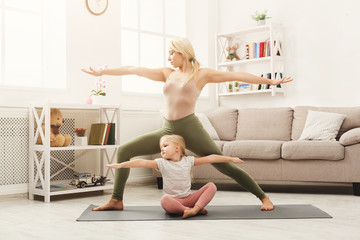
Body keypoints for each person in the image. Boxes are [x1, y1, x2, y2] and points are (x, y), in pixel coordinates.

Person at [82, 37, 293, 212]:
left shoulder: (201, 74)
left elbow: (237, 74)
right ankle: (116, 199)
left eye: (172, 53)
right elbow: (134, 69)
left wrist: (271, 81)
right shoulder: (166, 73)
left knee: (223, 165)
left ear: (183, 52)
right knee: (125, 150)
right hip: (167, 131)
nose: (169, 57)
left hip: (190, 128)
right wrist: (103, 73)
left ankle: (263, 197)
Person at [106, 134, 244, 219]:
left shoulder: (188, 161)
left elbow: (211, 158)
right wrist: (122, 165)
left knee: (211, 186)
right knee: (164, 200)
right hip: (173, 202)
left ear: (177, 148)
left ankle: (194, 209)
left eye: (165, 145)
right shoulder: (161, 163)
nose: (162, 149)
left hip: (188, 199)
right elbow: (141, 162)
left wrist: (230, 158)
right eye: (161, 148)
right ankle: (190, 211)